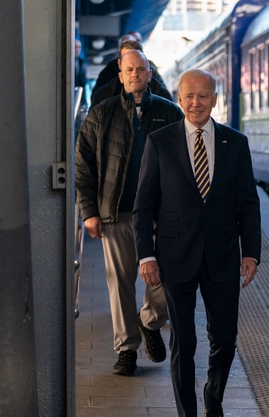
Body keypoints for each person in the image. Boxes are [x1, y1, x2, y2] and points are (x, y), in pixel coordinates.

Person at [132, 68, 261, 417]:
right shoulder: (160, 141)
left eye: (203, 96)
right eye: (189, 96)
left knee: (224, 339)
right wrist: (146, 256)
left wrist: (251, 252)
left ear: (215, 99)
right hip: (175, 257)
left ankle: (213, 399)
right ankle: (187, 412)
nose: (195, 103)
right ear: (179, 98)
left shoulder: (236, 144)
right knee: (183, 341)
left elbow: (248, 202)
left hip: (222, 255)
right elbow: (143, 205)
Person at [75, 50, 184, 376]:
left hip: (160, 215)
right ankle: (126, 351)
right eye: (129, 69)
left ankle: (150, 320)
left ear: (150, 74)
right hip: (117, 213)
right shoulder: (101, 114)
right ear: (120, 76)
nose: (135, 74)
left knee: (166, 277)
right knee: (118, 283)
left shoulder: (170, 113)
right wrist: (89, 212)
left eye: (141, 69)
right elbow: (83, 166)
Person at [89, 40, 173, 110]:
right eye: (126, 58)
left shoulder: (161, 94)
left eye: (137, 59)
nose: (134, 74)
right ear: (119, 64)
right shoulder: (103, 95)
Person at [91, 31, 165, 96]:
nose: (134, 74)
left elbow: (164, 95)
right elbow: (97, 97)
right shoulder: (109, 71)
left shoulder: (152, 69)